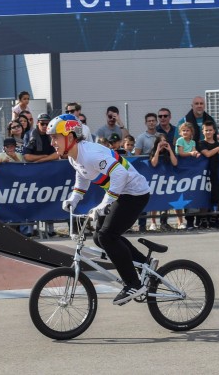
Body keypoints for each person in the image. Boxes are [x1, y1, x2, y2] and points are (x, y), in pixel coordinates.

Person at [52, 114, 151, 306]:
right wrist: (74, 198)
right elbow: (83, 177)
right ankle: (143, 264)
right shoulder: (74, 156)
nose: (52, 142)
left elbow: (120, 173)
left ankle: (133, 283)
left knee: (107, 236)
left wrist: (105, 203)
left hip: (135, 193)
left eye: (56, 137)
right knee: (100, 237)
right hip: (122, 193)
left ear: (70, 137)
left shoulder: (89, 154)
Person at [196, 121, 219, 229]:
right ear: (203, 131)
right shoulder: (201, 143)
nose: (208, 132)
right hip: (204, 174)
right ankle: (203, 220)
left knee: (217, 195)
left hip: (217, 173)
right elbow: (207, 154)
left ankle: (214, 217)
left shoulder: (218, 144)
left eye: (210, 130)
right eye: (206, 130)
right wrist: (217, 150)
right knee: (204, 196)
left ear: (214, 131)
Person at [147, 133, 178, 231]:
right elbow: (154, 163)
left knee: (165, 202)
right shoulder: (153, 151)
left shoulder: (169, 151)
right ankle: (153, 223)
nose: (163, 142)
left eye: (164, 140)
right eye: (161, 140)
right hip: (155, 180)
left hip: (166, 180)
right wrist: (157, 150)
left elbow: (175, 163)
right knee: (155, 202)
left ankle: (164, 222)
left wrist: (170, 150)